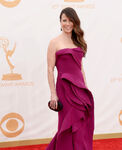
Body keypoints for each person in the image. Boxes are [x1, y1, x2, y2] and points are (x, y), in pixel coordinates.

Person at [46, 7, 94, 150]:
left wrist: (85, 87)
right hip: (65, 89)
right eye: (64, 20)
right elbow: (49, 69)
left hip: (80, 89)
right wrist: (53, 94)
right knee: (67, 125)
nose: (67, 23)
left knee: (82, 124)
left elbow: (80, 68)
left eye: (70, 20)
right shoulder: (54, 42)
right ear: (60, 22)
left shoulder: (78, 41)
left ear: (75, 22)